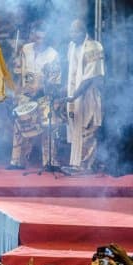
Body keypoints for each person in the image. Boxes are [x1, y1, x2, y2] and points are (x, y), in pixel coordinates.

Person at [6, 23, 62, 170]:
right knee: (19, 125)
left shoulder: (53, 55)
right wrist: (16, 96)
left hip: (44, 96)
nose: (39, 40)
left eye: (42, 36)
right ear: (33, 35)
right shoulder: (25, 49)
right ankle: (17, 161)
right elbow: (19, 75)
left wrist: (39, 91)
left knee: (48, 126)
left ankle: (50, 162)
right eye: (36, 36)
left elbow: (55, 83)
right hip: (25, 95)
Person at [62, 19, 105, 174]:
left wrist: (74, 95)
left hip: (88, 96)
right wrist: (66, 90)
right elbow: (71, 72)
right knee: (76, 131)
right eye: (71, 31)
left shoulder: (94, 47)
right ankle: (76, 165)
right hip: (74, 96)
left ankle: (85, 167)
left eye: (76, 31)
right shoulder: (72, 46)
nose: (72, 34)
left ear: (84, 31)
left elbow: (90, 77)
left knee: (87, 129)